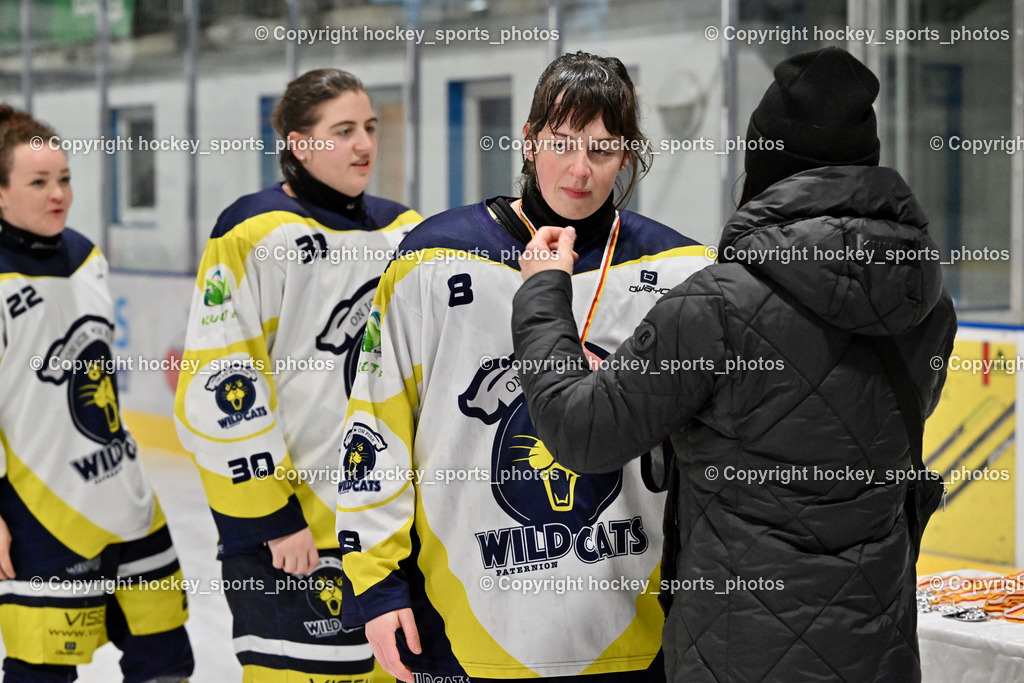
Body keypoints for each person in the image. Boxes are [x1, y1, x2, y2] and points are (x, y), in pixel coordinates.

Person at [509, 46, 958, 682]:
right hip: (877, 643)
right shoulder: (925, 301)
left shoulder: (715, 306)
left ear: (763, 165)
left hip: (738, 647)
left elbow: (580, 430)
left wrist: (544, 293)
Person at [336, 51, 713, 683]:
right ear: (530, 138)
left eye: (603, 148)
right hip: (467, 623)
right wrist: (376, 584)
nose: (580, 168)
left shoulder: (681, 272)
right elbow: (376, 427)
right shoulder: (432, 259)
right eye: (563, 142)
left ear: (627, 156)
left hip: (632, 626)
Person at [174, 69, 421, 682]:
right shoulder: (254, 231)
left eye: (368, 127)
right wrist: (267, 519)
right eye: (342, 131)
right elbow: (221, 381)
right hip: (294, 531)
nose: (365, 144)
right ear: (298, 143)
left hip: (389, 526)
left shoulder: (407, 231)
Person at [0, 105, 194, 682]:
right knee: (44, 674)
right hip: (43, 512)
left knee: (167, 662)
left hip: (126, 495)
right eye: (38, 182)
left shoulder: (87, 256)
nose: (58, 194)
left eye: (63, 179)